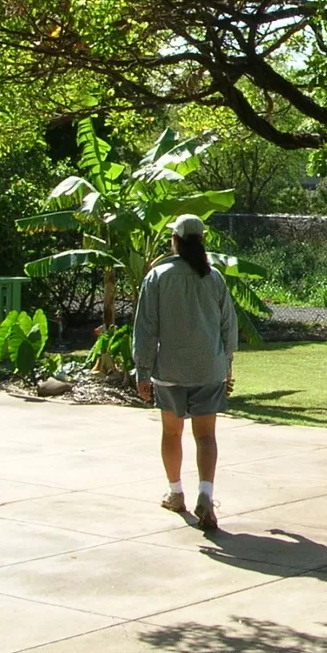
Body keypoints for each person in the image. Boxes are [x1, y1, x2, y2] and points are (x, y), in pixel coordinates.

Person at [133, 214, 238, 531]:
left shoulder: (158, 276)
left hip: (170, 370)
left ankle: (176, 492)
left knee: (172, 432)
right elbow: (227, 327)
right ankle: (206, 495)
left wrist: (142, 370)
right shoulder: (214, 277)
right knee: (206, 435)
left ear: (175, 240)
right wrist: (228, 365)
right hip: (209, 369)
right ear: (202, 241)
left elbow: (146, 327)